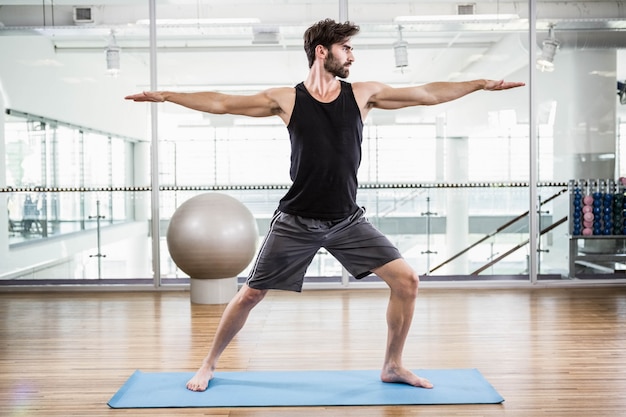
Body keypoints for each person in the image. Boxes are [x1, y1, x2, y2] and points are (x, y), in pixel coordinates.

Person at [126, 18, 525, 392]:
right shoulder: (285, 99)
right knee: (250, 294)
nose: (351, 56)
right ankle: (209, 363)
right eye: (346, 48)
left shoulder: (363, 94)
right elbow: (223, 103)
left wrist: (480, 84)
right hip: (296, 221)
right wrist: (166, 95)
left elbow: (425, 94)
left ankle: (392, 365)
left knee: (407, 281)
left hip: (347, 221)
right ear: (321, 52)